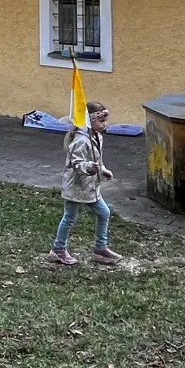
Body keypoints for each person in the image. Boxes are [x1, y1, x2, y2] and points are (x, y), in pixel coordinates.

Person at [48, 101, 122, 266]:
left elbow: (96, 159)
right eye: (101, 121)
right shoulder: (81, 141)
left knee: (104, 213)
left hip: (90, 187)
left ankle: (100, 248)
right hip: (76, 187)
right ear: (89, 121)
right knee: (70, 217)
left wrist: (102, 169)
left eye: (105, 120)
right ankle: (58, 249)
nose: (105, 124)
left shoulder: (97, 137)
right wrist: (88, 168)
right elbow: (77, 163)